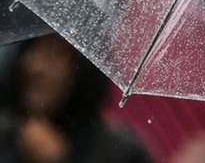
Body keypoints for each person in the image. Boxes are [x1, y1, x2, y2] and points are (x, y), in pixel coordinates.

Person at [0, 34, 151, 163]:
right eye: (31, 49)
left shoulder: (120, 154)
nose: (34, 66)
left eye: (54, 54)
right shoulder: (5, 135)